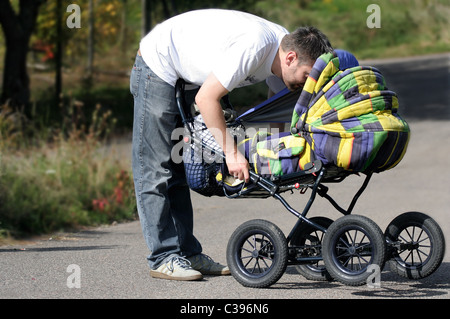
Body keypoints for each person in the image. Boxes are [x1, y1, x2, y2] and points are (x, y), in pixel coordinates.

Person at [130, 8, 333, 281]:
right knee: (156, 169)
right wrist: (232, 153)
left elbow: (273, 117)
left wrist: (284, 163)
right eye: (308, 75)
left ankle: (187, 254)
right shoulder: (256, 46)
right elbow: (206, 100)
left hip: (189, 77)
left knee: (177, 168)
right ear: (291, 57)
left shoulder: (282, 53)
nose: (307, 84)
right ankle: (163, 258)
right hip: (159, 64)